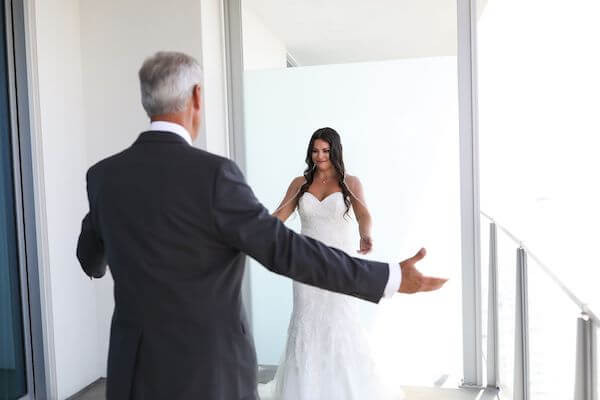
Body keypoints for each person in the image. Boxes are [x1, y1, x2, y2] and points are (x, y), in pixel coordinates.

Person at [76, 51, 447, 400]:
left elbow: (91, 259)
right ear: (197, 97)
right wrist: (387, 278)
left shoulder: (104, 177)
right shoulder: (215, 175)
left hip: (133, 368)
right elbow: (284, 249)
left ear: (146, 101)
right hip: (211, 367)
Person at [265, 127, 405, 399]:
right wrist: (253, 230)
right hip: (305, 265)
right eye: (315, 151)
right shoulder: (300, 184)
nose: (320, 156)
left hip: (339, 264)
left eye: (325, 151)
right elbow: (281, 213)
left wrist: (366, 235)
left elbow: (365, 214)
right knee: (306, 322)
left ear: (335, 151)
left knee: (340, 322)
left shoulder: (349, 182)